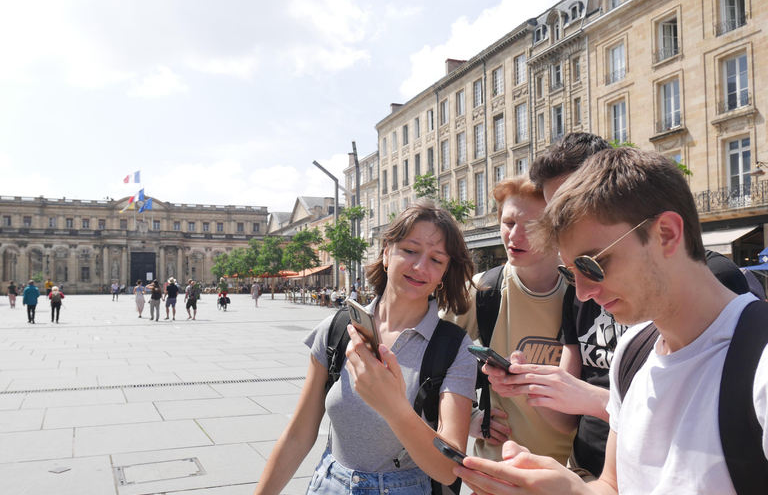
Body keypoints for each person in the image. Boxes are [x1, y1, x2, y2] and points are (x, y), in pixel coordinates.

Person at [454, 147, 768, 495]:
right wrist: (568, 489)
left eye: (592, 265)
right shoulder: (632, 352)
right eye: (570, 272)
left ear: (666, 233)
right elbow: (614, 486)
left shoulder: (759, 365)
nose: (584, 292)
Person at [254, 199, 478, 495]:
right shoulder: (337, 329)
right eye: (410, 251)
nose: (420, 266)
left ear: (443, 274)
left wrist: (394, 407)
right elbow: (298, 435)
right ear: (387, 253)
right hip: (329, 484)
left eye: (436, 259)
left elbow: (450, 469)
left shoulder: (455, 348)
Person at [441, 175, 572, 465]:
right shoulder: (483, 290)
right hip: (497, 473)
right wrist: (470, 417)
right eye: (509, 223)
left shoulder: (586, 294)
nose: (515, 236)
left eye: (533, 225)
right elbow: (427, 356)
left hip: (574, 476)